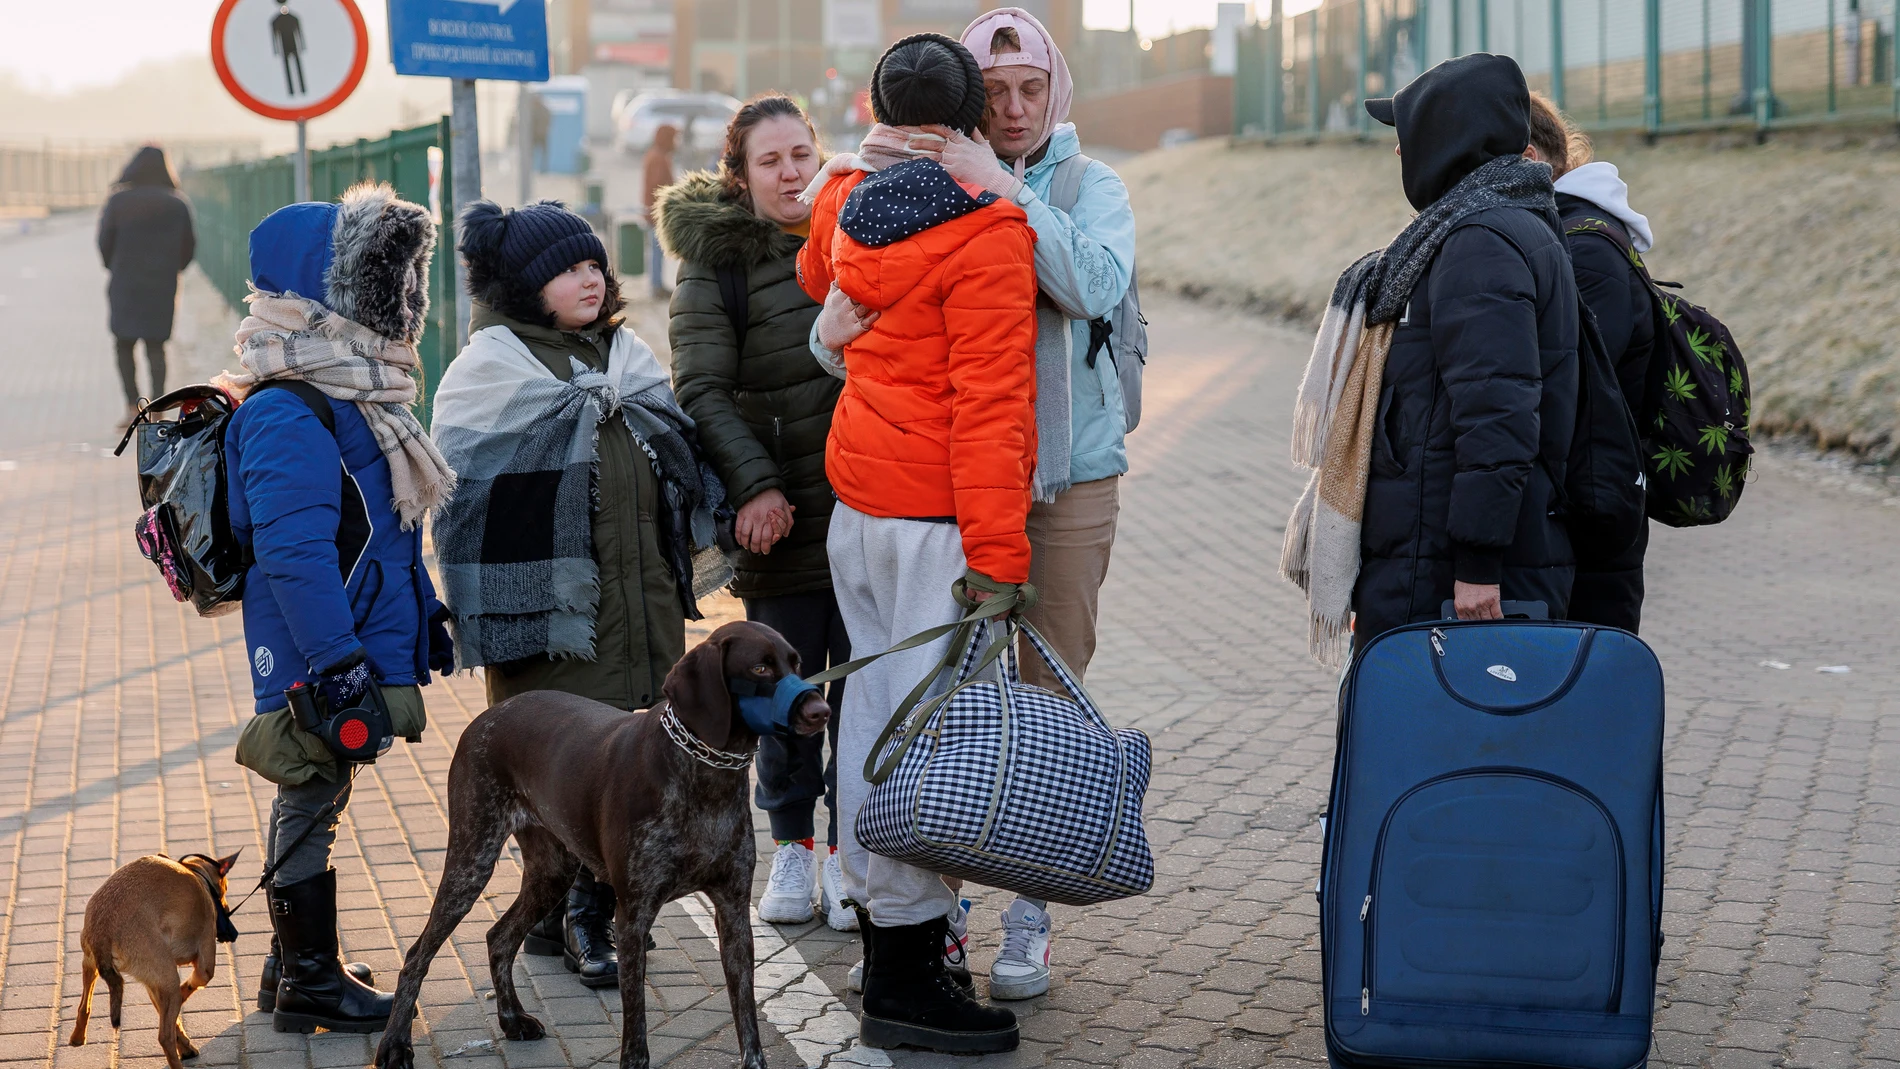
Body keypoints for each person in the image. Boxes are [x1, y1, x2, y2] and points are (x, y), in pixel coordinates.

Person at [809, 6, 1138, 1000]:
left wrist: (1013, 197)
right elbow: (862, 320)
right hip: (953, 491)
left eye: (1031, 88)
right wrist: (827, 338)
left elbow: (1096, 285)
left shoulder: (1086, 185)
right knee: (942, 703)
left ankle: (1031, 905)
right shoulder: (915, 187)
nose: (1014, 107)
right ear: (964, 97)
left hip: (1067, 480)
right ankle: (931, 909)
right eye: (992, 93)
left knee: (1049, 686)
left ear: (1056, 89)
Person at [797, 32, 1035, 1054]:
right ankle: (904, 970)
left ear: (875, 106)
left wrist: (858, 158)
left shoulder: (847, 193)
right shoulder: (989, 228)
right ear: (971, 118)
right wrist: (1002, 561)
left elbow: (818, 275)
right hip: (940, 525)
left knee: (872, 724)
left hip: (859, 507)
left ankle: (887, 927)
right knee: (928, 742)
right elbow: (991, 408)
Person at [429, 198, 730, 993]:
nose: (590, 278)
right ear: (529, 286)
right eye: (569, 268)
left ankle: (575, 909)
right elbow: (466, 509)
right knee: (569, 768)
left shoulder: (626, 356)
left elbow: (676, 461)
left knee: (633, 764)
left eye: (595, 263)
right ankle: (579, 917)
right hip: (554, 620)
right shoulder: (490, 372)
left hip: (644, 604)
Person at [218, 184, 456, 1033]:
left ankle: (292, 967)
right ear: (324, 294)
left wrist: (420, 612)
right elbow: (294, 554)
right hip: (316, 646)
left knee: (321, 789)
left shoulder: (350, 394)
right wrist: (339, 662)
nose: (397, 303)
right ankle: (309, 980)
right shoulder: (288, 407)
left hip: (345, 635)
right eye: (375, 283)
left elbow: (378, 533)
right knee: (309, 792)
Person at [1282, 54, 1579, 661]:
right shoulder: (1494, 227)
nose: (1398, 152)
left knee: (1422, 741)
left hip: (1440, 567)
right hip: (1427, 549)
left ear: (1448, 137)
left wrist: (1477, 566)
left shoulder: (1480, 244)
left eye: (1408, 133)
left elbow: (1497, 415)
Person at [657, 96, 854, 930]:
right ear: (738, 176)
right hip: (781, 521)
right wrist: (755, 487)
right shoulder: (718, 263)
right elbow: (700, 385)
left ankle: (855, 857)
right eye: (770, 161)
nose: (792, 174)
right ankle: (794, 852)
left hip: (876, 506)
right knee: (786, 699)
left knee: (871, 695)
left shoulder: (855, 230)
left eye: (802, 155)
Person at [1526, 94, 1657, 632]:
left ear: (1531, 162)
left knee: (1581, 694)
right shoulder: (1572, 234)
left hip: (1587, 521)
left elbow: (1569, 395)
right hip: (1577, 513)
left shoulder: (1585, 251)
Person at [98, 146, 194, 426]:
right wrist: (170, 270)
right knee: (156, 348)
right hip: (161, 286)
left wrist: (116, 267)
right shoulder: (177, 203)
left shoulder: (118, 201)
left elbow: (104, 243)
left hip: (125, 284)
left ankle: (131, 408)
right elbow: (189, 249)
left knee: (123, 344)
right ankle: (158, 411)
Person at [642, 125, 678, 297]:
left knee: (657, 249)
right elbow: (658, 186)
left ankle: (656, 284)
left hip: (654, 210)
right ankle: (656, 286)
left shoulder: (655, 155)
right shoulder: (659, 158)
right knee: (657, 249)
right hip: (657, 211)